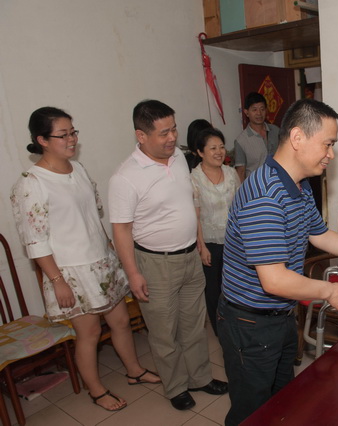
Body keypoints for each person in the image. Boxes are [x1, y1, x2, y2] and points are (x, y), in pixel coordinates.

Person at [218, 98, 338, 425]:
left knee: (281, 403)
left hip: (279, 313)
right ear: (297, 138)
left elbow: (318, 234)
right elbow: (274, 280)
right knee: (251, 412)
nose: (331, 154)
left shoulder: (297, 184)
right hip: (250, 322)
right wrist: (331, 291)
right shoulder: (264, 196)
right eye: (328, 144)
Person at [10, 107, 161, 412]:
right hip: (70, 271)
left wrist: (111, 250)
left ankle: (134, 371)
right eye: (62, 135)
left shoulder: (77, 168)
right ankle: (96, 390)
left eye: (73, 132)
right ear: (42, 140)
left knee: (121, 322)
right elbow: (35, 241)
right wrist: (57, 281)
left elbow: (93, 216)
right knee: (89, 333)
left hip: (102, 261)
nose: (72, 139)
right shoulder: (31, 183)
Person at [108, 100, 228, 411]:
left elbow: (187, 206)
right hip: (155, 263)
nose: (172, 137)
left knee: (194, 326)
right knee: (164, 332)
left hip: (190, 256)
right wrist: (133, 273)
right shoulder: (125, 177)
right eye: (163, 133)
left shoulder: (177, 159)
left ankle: (200, 378)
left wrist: (199, 243)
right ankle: (175, 386)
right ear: (141, 135)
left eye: (173, 129)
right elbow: (121, 231)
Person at [191, 127, 240, 335]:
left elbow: (239, 208)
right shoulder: (194, 178)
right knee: (213, 290)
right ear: (200, 152)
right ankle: (221, 330)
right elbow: (195, 216)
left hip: (233, 241)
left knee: (234, 286)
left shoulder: (231, 174)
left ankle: (236, 326)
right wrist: (201, 246)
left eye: (221, 147)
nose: (219, 152)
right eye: (213, 148)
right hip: (209, 243)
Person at [233, 92, 279, 181]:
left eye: (262, 109)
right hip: (256, 186)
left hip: (278, 183)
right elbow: (241, 172)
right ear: (246, 112)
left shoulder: (276, 131)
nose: (259, 113)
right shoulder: (241, 141)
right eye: (254, 110)